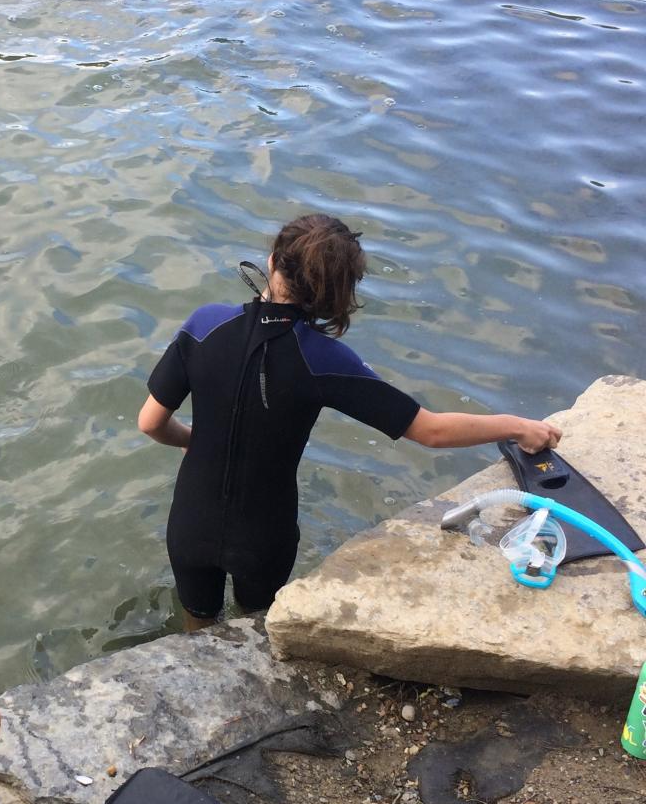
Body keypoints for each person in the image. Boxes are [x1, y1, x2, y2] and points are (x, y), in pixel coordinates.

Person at [137, 213, 563, 630]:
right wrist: (517, 425)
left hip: (190, 525)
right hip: (263, 536)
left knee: (198, 631)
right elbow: (429, 431)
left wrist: (193, 439)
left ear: (272, 262)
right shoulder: (324, 359)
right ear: (334, 292)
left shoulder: (204, 324)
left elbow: (151, 422)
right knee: (256, 631)